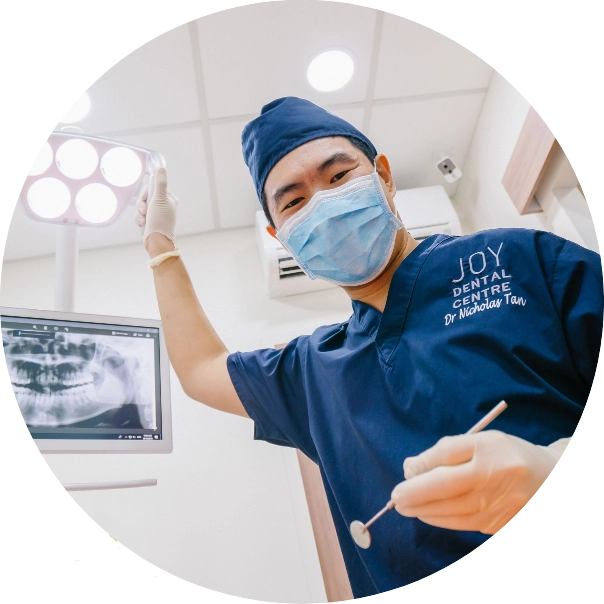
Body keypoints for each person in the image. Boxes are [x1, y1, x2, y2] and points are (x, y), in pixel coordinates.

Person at [134, 96, 603, 598]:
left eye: (338, 177)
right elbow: (200, 369)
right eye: (293, 202)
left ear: (384, 175)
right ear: (281, 237)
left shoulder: (518, 259)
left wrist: (561, 475)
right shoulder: (311, 373)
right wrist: (160, 244)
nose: (323, 205)